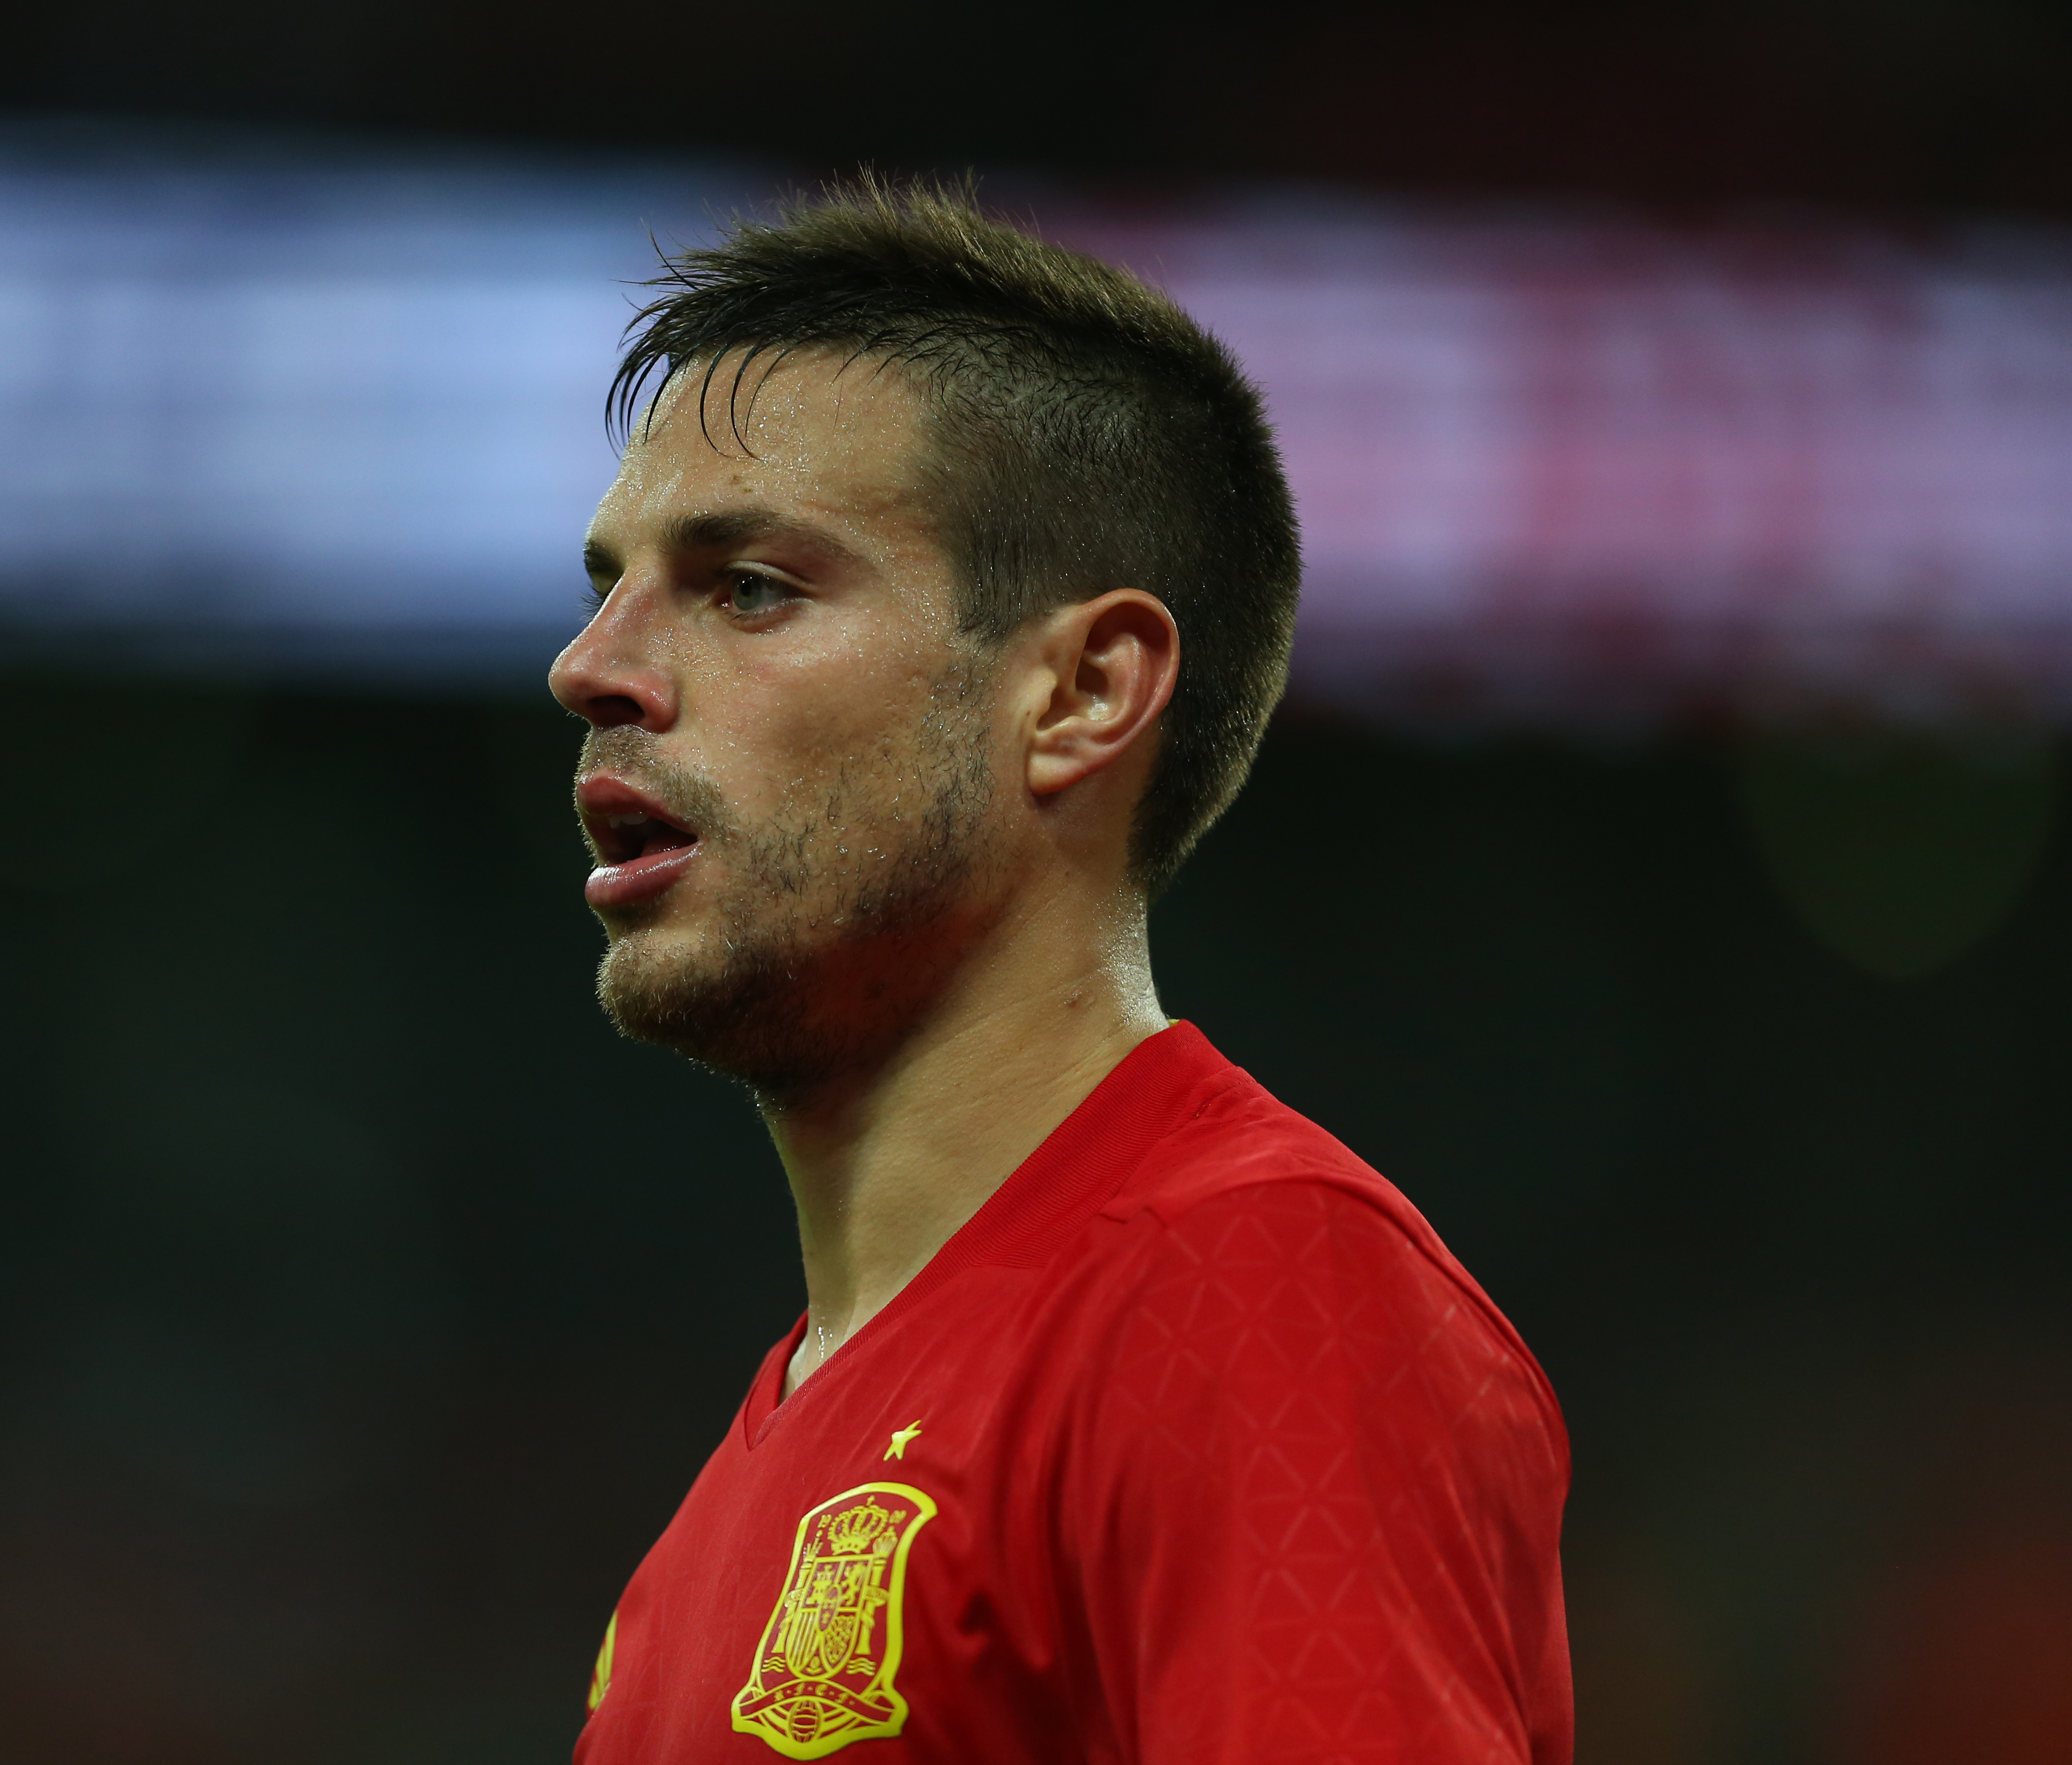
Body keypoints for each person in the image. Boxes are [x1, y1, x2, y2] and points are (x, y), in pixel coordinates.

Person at [551, 178, 1570, 1764]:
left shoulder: (1251, 1289)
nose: (592, 666)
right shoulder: (720, 1516)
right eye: (606, 584)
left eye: (750, 586)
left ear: (1084, 693)